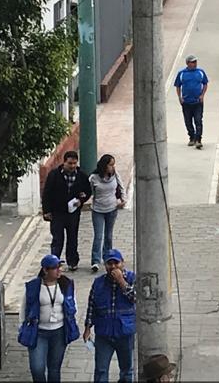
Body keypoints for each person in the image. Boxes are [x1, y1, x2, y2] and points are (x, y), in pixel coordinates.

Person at [18, 254, 80, 383]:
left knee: (54, 369)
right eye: (55, 268)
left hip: (59, 331)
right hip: (39, 332)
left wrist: (72, 322)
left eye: (60, 267)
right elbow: (24, 309)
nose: (59, 270)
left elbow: (73, 304)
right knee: (37, 368)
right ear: (45, 270)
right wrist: (22, 327)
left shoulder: (66, 284)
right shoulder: (33, 286)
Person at [83, 249, 136, 383]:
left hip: (125, 333)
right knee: (101, 370)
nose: (113, 266)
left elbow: (136, 298)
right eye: (109, 263)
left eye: (116, 263)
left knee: (126, 371)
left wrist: (121, 281)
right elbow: (91, 306)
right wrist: (87, 328)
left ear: (122, 263)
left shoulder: (132, 278)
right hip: (104, 334)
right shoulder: (98, 283)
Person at [41, 150, 91, 271]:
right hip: (57, 212)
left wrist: (81, 201)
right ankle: (55, 262)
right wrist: (46, 211)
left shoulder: (82, 176)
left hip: (73, 213)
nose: (72, 166)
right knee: (57, 239)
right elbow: (47, 193)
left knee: (72, 237)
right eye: (70, 163)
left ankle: (72, 261)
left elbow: (88, 191)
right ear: (64, 162)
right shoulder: (54, 175)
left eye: (74, 163)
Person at [88, 154, 127, 273]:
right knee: (98, 236)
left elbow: (121, 187)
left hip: (112, 209)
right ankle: (95, 261)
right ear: (104, 165)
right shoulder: (94, 177)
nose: (112, 167)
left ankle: (108, 258)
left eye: (113, 165)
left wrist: (123, 200)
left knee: (108, 236)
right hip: (98, 209)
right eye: (110, 165)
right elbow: (89, 191)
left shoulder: (115, 175)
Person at [174, 53, 208, 149]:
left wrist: (202, 95)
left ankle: (198, 139)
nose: (195, 63)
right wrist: (180, 97)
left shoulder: (200, 72)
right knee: (188, 121)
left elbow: (205, 84)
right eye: (192, 62)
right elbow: (178, 86)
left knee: (198, 120)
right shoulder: (182, 73)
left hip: (198, 102)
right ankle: (191, 137)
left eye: (195, 62)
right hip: (186, 102)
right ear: (188, 63)